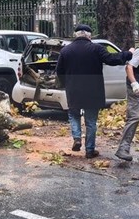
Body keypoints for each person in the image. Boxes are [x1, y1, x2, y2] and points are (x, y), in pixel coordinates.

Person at [56, 24, 133, 159]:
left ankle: (77, 137)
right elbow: (112, 59)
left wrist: (65, 84)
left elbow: (59, 71)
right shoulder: (97, 49)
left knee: (73, 115)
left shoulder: (65, 51)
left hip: (73, 89)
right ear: (89, 36)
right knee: (91, 121)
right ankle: (90, 150)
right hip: (93, 91)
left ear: (76, 35)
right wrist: (128, 54)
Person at [115, 48, 139, 161]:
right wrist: (134, 83)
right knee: (134, 116)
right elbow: (129, 67)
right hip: (136, 88)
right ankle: (123, 148)